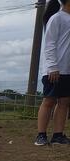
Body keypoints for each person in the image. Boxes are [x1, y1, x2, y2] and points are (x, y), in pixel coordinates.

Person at [35, 0, 70, 146]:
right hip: (54, 68)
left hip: (67, 69)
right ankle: (41, 135)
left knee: (64, 102)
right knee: (49, 101)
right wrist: (53, 66)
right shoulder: (57, 18)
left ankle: (58, 135)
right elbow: (49, 43)